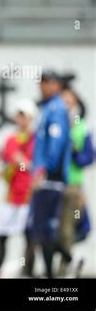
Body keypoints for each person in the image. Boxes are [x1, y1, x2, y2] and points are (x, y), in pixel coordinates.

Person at [26, 70, 71, 278]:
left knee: (42, 229)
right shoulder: (48, 109)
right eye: (41, 82)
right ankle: (53, 269)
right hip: (46, 178)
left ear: (56, 85)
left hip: (51, 179)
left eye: (47, 82)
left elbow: (56, 143)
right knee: (39, 229)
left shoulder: (56, 109)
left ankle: (55, 270)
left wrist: (44, 170)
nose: (42, 86)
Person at [0, 99, 36, 278]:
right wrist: (1, 171)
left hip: (28, 195)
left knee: (29, 236)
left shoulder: (36, 140)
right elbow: (4, 162)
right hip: (11, 195)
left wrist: (25, 163)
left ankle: (27, 273)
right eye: (18, 115)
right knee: (2, 235)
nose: (20, 119)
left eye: (23, 116)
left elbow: (40, 166)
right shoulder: (10, 140)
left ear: (30, 118)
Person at [57, 86, 94, 277]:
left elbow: (88, 158)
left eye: (70, 102)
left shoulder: (81, 128)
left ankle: (65, 270)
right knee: (45, 231)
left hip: (71, 187)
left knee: (67, 230)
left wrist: (74, 151)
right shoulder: (53, 124)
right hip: (51, 185)